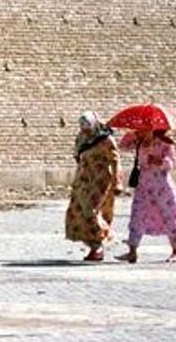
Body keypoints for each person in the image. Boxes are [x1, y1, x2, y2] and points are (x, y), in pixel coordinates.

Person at [116, 129, 176, 263]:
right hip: (143, 186)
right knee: (138, 215)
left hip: (162, 186)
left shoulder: (164, 142)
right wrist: (133, 136)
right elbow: (122, 147)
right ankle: (132, 251)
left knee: (168, 215)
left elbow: (171, 163)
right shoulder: (139, 142)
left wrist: (159, 161)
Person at [64, 111, 120, 261]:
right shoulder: (81, 138)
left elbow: (115, 160)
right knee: (78, 211)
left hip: (100, 180)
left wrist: (117, 181)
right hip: (83, 180)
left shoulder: (105, 139)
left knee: (91, 211)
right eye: (82, 128)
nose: (85, 131)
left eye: (87, 127)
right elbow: (77, 156)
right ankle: (94, 247)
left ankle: (101, 242)